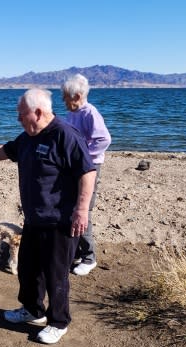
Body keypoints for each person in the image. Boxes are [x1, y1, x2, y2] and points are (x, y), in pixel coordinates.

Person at [0, 88, 96, 344]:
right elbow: (5, 151)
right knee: (29, 270)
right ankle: (33, 310)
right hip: (34, 219)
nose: (18, 119)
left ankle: (59, 322)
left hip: (59, 222)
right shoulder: (28, 136)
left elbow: (88, 172)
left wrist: (82, 210)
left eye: (21, 115)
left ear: (38, 112)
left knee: (55, 274)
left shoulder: (65, 136)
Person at [61, 74, 111, 276]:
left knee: (83, 210)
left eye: (66, 97)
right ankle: (76, 252)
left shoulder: (90, 113)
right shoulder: (74, 112)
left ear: (78, 96)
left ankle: (89, 257)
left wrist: (86, 157)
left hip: (89, 168)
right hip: (75, 166)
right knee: (70, 207)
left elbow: (104, 139)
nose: (64, 101)